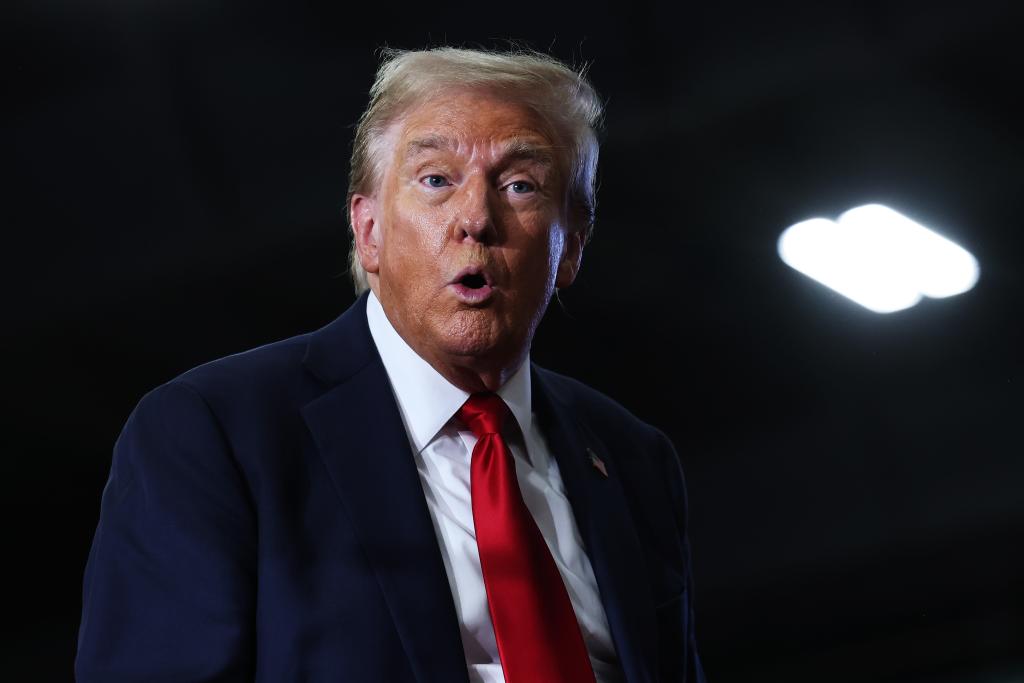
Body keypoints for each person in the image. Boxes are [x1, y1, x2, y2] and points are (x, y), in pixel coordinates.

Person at [76, 47, 706, 683]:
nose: (476, 219)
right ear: (368, 230)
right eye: (436, 179)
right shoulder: (214, 433)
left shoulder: (632, 460)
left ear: (570, 246)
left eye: (520, 185)